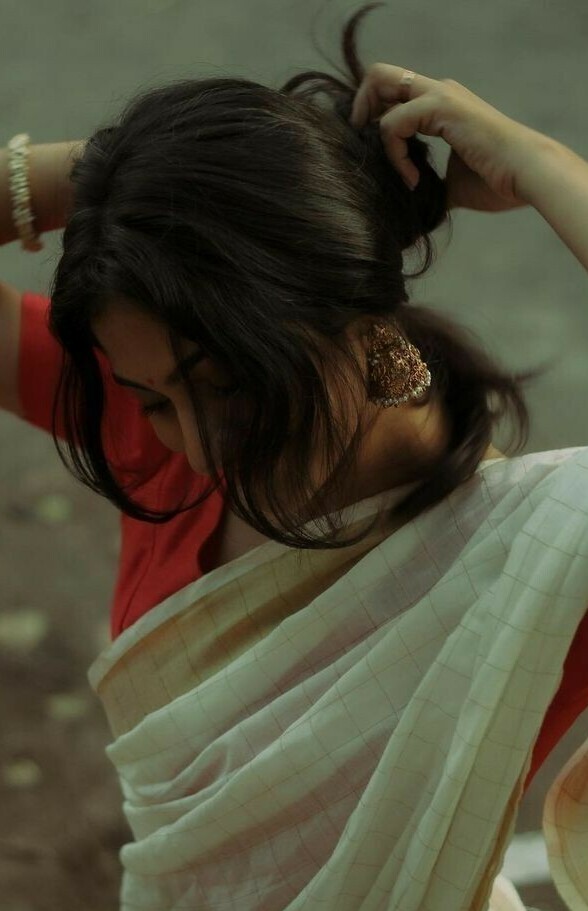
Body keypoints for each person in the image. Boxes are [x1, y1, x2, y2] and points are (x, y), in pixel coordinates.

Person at [1, 3, 587, 909]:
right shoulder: (151, 440)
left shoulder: (538, 557)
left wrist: (547, 168)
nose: (204, 446)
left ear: (366, 330)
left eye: (233, 387)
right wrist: (122, 177)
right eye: (156, 400)